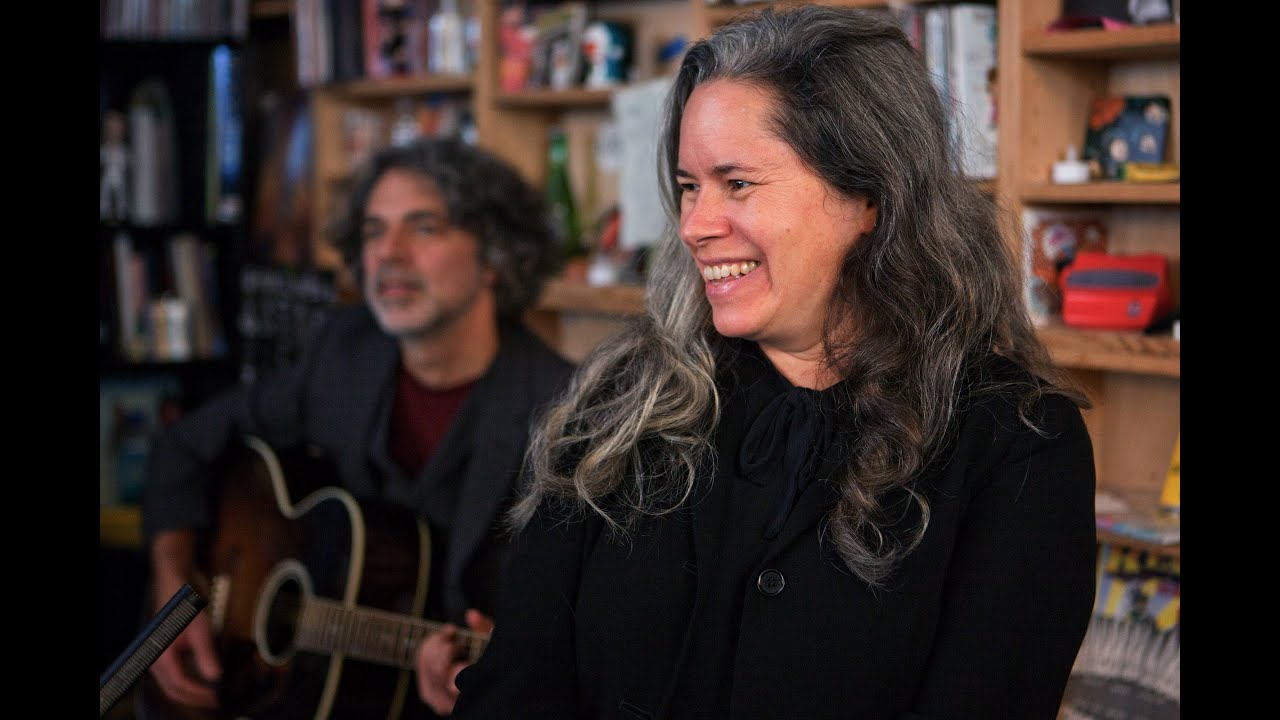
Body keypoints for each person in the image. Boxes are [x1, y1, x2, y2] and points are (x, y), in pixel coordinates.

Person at [451, 6, 1098, 719]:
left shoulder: (1017, 443)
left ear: (869, 197)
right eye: (690, 186)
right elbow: (518, 686)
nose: (694, 225)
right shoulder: (619, 402)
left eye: (737, 183)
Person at [140, 136, 573, 719]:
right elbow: (184, 444)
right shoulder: (345, 353)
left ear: (494, 256)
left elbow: (590, 627)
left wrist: (503, 684)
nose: (388, 254)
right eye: (373, 231)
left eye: (423, 228)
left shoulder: (570, 412)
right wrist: (173, 585)